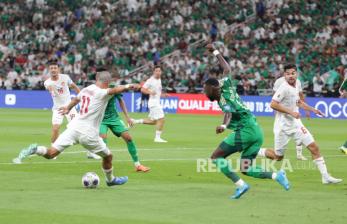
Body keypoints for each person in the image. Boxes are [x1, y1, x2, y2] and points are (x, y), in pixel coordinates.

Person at [12, 71, 140, 186]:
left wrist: (67, 107)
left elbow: (76, 99)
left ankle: (35, 149)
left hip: (73, 128)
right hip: (88, 133)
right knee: (108, 156)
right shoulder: (102, 92)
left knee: (51, 153)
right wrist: (128, 86)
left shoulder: (86, 89)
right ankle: (110, 180)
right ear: (107, 83)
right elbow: (114, 90)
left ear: (96, 79)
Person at [204, 43, 290, 199]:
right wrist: (215, 51)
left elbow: (229, 113)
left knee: (216, 157)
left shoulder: (222, 99)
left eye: (206, 89)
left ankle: (241, 185)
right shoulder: (224, 85)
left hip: (245, 131)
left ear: (212, 89)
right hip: (256, 131)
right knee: (246, 168)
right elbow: (227, 69)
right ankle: (277, 176)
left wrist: (224, 125)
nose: (205, 92)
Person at [259, 64, 342, 184]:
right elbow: (273, 104)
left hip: (296, 124)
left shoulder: (297, 83)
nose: (291, 76)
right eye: (288, 74)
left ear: (296, 74)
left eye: (293, 73)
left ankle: (325, 176)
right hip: (283, 127)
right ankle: (256, 150)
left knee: (314, 147)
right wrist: (291, 112)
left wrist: (313, 110)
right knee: (278, 157)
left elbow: (298, 102)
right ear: (284, 75)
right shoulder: (283, 87)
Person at [43, 60, 99, 159]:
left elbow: (74, 86)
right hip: (58, 109)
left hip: (70, 107)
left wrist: (82, 96)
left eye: (55, 68)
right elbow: (49, 88)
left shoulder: (65, 78)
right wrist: (51, 91)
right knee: (55, 128)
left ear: (58, 69)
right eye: (51, 68)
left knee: (81, 129)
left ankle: (90, 152)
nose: (53, 70)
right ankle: (52, 151)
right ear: (49, 70)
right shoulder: (47, 82)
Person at [100, 81, 150, 172]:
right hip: (100, 120)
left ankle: (138, 165)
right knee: (102, 142)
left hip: (114, 118)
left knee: (128, 138)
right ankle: (106, 165)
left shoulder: (113, 87)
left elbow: (121, 100)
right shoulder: (96, 89)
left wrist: (127, 117)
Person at [273, 74, 308, 161]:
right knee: (279, 153)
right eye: (288, 72)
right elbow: (275, 98)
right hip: (283, 114)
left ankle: (299, 154)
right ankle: (274, 152)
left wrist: (306, 108)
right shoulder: (279, 82)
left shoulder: (298, 81)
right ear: (285, 73)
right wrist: (276, 111)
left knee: (301, 133)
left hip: (295, 113)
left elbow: (300, 95)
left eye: (293, 72)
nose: (291, 75)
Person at [131, 66, 169, 143]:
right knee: (161, 119)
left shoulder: (159, 80)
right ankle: (157, 138)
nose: (158, 72)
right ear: (154, 72)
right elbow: (142, 89)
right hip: (153, 103)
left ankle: (135, 121)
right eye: (156, 71)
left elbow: (157, 92)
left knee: (154, 121)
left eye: (159, 71)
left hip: (156, 102)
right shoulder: (150, 80)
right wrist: (150, 92)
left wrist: (163, 95)